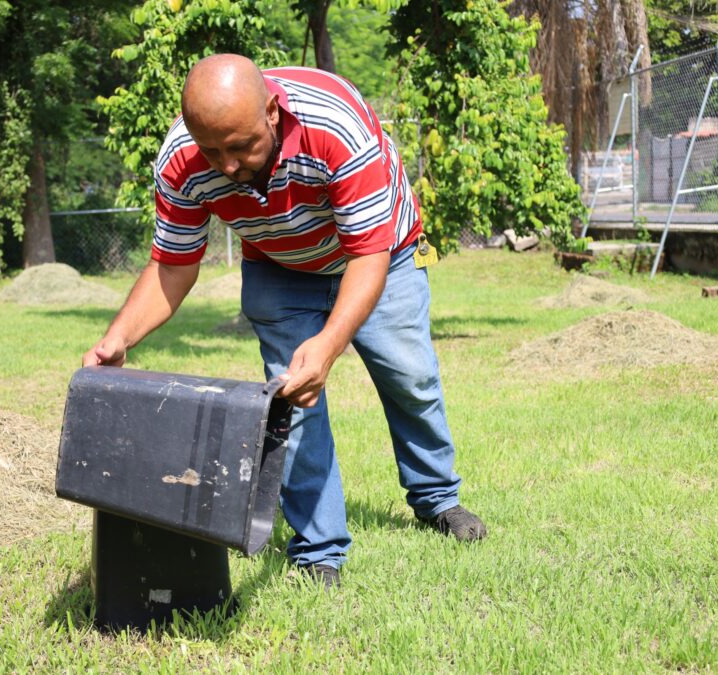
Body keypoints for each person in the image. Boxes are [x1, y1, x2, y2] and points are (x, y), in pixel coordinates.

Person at [83, 54, 485, 589]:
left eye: (240, 145)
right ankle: (319, 550)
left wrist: (328, 345)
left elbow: (367, 255)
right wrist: (118, 338)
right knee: (292, 406)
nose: (226, 165)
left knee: (410, 379)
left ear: (272, 112)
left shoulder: (334, 123)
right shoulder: (182, 159)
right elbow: (174, 265)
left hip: (377, 256)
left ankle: (437, 500)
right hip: (278, 267)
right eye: (212, 149)